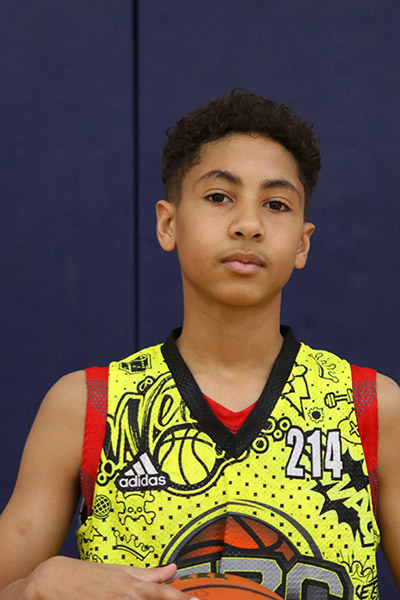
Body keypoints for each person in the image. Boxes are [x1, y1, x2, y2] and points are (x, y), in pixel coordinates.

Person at [0, 92, 399, 600]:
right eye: (218, 197)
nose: (248, 224)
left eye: (276, 205)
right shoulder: (87, 405)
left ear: (302, 242)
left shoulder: (372, 408)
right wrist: (33, 587)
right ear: (168, 223)